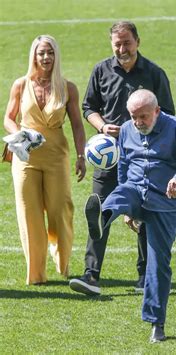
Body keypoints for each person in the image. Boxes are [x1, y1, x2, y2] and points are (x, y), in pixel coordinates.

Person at [84, 89, 176, 342]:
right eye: (134, 116)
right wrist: (128, 213)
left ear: (157, 111)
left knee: (157, 265)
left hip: (165, 203)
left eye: (143, 117)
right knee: (119, 195)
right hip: (136, 191)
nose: (138, 123)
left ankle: (156, 323)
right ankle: (103, 218)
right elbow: (125, 166)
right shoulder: (127, 129)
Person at [69, 21, 175, 295]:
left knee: (145, 212)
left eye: (127, 42)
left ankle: (144, 276)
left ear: (138, 42)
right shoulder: (101, 71)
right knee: (100, 210)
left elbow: (169, 115)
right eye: (117, 43)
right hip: (108, 157)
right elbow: (89, 107)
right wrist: (102, 126)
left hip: (143, 157)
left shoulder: (154, 74)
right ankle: (91, 275)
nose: (122, 48)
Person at [3, 35, 87, 285]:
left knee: (61, 211)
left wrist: (81, 156)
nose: (46, 57)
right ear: (34, 55)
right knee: (29, 214)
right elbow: (8, 117)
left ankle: (62, 263)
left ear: (56, 55)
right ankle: (37, 275)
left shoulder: (67, 87)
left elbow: (77, 125)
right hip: (25, 156)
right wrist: (17, 132)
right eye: (41, 53)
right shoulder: (20, 84)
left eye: (50, 52)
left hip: (56, 155)